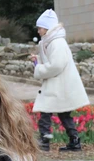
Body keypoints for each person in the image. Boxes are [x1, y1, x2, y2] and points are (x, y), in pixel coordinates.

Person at [31, 9, 89, 152]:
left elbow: (56, 65)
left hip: (58, 84)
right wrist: (37, 62)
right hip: (60, 84)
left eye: (40, 28)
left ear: (47, 28)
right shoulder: (51, 41)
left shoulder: (56, 43)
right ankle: (74, 140)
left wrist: (39, 68)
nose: (38, 31)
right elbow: (53, 63)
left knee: (46, 110)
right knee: (63, 113)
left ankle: (45, 139)